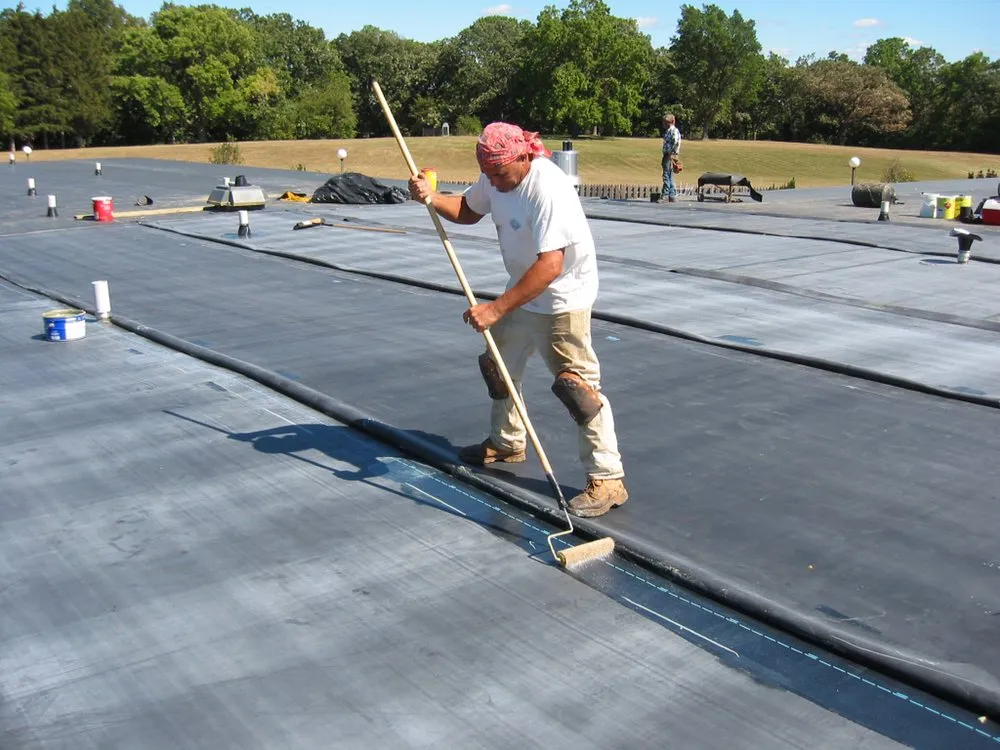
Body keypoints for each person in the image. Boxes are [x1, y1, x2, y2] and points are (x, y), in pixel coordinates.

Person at [407, 122, 628, 518]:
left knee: (576, 388)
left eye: (498, 173)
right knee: (498, 367)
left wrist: (496, 308)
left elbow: (551, 266)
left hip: (563, 298)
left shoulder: (548, 188)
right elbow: (468, 210)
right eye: (487, 174)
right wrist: (431, 197)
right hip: (523, 290)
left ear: (523, 157)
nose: (493, 182)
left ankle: (608, 477)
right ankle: (507, 442)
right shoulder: (496, 175)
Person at [661, 113, 682, 203]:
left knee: (666, 175)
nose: (664, 124)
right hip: (668, 154)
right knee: (670, 174)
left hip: (670, 155)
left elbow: (675, 141)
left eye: (666, 122)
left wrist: (670, 152)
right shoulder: (669, 130)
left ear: (672, 122)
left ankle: (665, 195)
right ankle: (672, 195)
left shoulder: (673, 130)